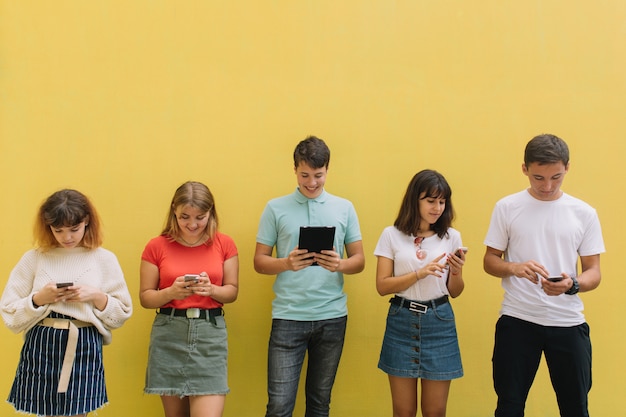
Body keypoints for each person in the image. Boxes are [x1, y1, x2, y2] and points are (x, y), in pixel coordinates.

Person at [483, 134, 605, 417]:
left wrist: (571, 285)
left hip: (567, 322)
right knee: (509, 407)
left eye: (556, 177)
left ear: (568, 168)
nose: (547, 186)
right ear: (524, 169)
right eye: (538, 178)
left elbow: (594, 272)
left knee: (575, 408)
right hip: (517, 320)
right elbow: (490, 261)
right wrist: (514, 267)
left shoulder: (584, 213)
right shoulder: (507, 207)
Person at [254, 136, 365, 417]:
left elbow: (359, 261)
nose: (312, 182)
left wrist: (339, 265)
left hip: (332, 316)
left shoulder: (345, 208)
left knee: (319, 404)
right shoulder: (275, 208)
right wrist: (286, 263)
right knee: (279, 406)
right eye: (305, 175)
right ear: (294, 170)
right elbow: (259, 262)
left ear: (327, 170)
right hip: (288, 316)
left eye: (318, 175)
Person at [0, 189, 133, 417]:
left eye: (74, 229)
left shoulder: (103, 258)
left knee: (78, 412)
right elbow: (10, 313)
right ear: (47, 226)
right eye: (58, 230)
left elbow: (121, 313)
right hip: (42, 345)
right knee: (45, 412)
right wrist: (40, 299)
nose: (67, 237)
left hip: (84, 343)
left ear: (87, 222)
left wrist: (96, 296)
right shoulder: (35, 258)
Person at [140, 181, 239, 417]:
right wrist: (170, 293)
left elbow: (232, 291)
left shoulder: (224, 244)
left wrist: (211, 290)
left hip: (210, 334)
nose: (192, 224)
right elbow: (146, 297)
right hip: (169, 333)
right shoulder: (156, 246)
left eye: (200, 217)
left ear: (211, 212)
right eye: (185, 216)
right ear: (174, 210)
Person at [374, 169, 466, 417]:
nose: (437, 208)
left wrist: (456, 272)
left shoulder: (451, 236)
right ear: (415, 200)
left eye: (442, 201)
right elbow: (382, 286)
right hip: (401, 321)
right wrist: (420, 273)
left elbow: (455, 292)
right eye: (430, 200)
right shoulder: (391, 235)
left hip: (439, 321)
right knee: (403, 411)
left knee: (435, 411)